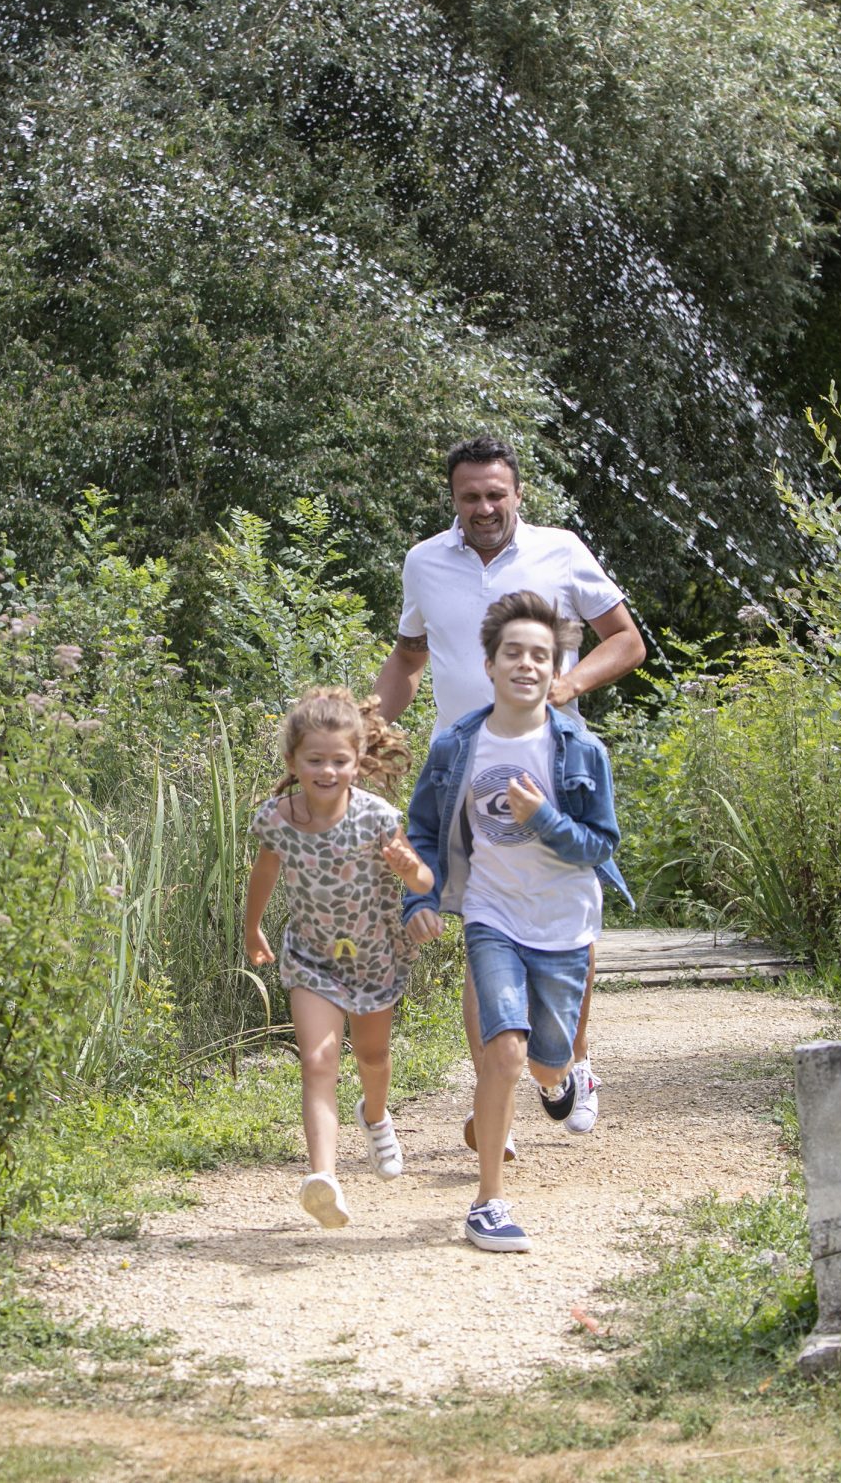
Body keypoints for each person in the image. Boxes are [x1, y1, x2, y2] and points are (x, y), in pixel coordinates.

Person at [374, 436, 645, 1146]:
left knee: (567, 915)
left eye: (497, 494)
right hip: (465, 763)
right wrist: (366, 728)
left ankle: (572, 1064)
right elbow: (408, 657)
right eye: (471, 496)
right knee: (481, 920)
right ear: (454, 500)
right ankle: (495, 1099)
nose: (485, 507)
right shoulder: (425, 561)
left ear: (518, 493)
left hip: (552, 763)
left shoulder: (561, 550)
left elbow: (627, 639)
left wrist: (572, 682)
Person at [404, 592, 628, 1251]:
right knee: (502, 1049)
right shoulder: (458, 744)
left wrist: (544, 822)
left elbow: (600, 843)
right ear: (490, 663)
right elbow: (422, 827)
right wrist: (420, 899)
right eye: (513, 653)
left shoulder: (581, 749)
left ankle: (564, 1078)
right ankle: (488, 1202)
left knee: (542, 1061)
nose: (526, 664)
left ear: (555, 665)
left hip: (563, 923)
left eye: (540, 654)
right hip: (492, 914)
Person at [242, 687, 440, 1229]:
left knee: (372, 1059)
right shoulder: (278, 818)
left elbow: (423, 878)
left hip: (375, 957)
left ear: (358, 761)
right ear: (292, 762)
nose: (326, 771)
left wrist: (408, 871)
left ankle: (375, 1116)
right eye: (314, 760)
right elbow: (265, 872)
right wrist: (252, 927)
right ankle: (324, 1177)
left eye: (339, 760)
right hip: (313, 958)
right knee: (318, 1060)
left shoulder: (376, 817)